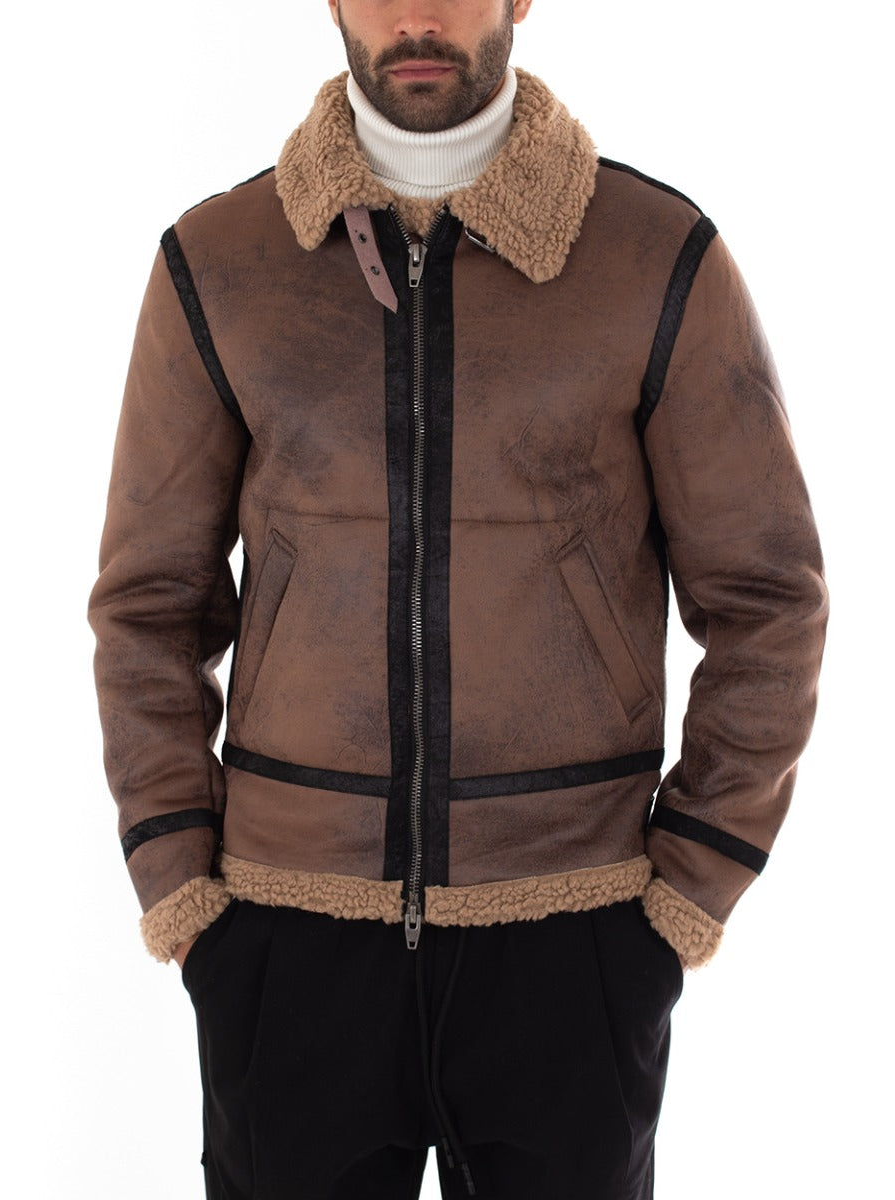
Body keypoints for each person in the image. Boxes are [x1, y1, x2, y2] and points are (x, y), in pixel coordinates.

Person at [88, 2, 829, 1197]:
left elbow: (768, 597)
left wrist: (689, 884)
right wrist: (182, 888)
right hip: (289, 940)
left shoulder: (653, 257)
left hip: (574, 937)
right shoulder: (218, 265)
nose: (419, 15)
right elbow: (148, 608)